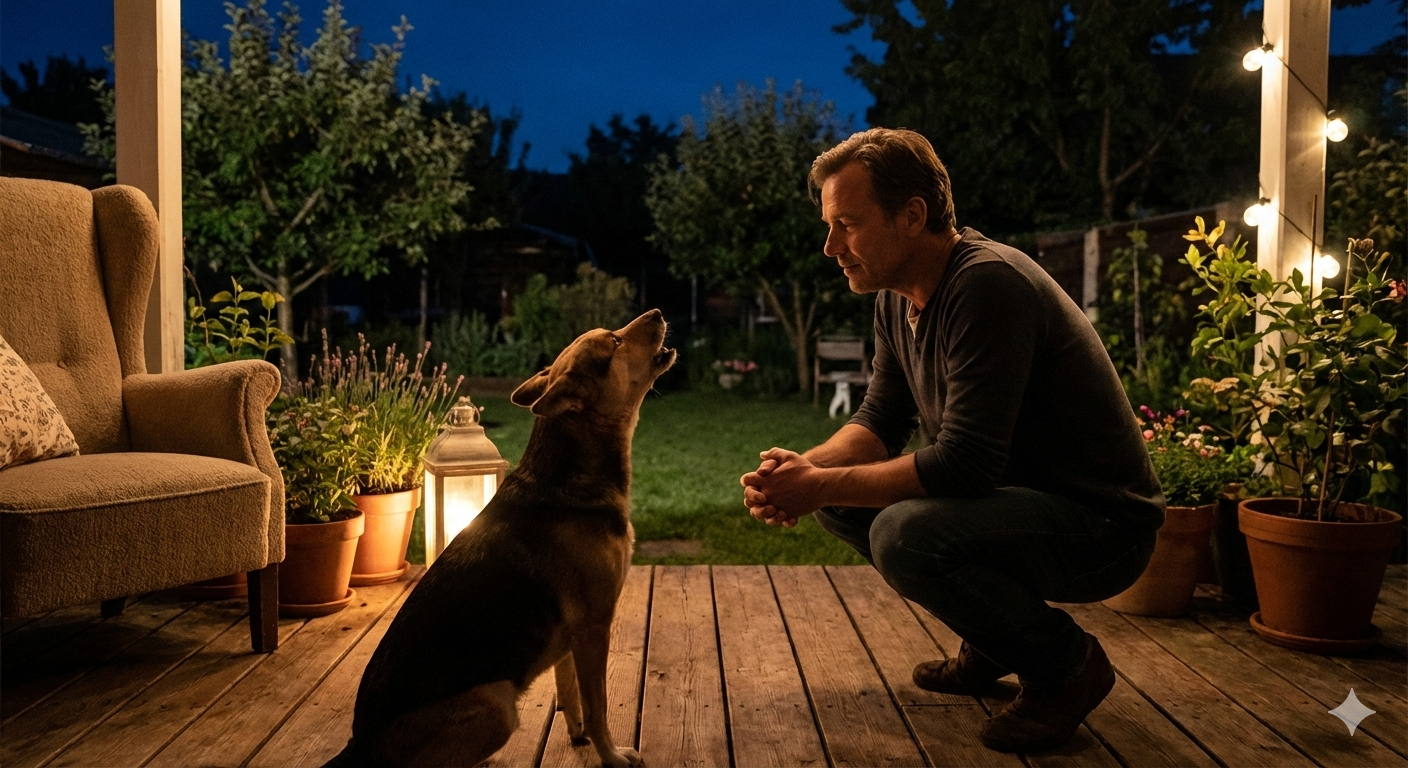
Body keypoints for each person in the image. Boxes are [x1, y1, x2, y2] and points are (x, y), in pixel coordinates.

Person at [740, 128, 1164, 753]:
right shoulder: (896, 296)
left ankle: (1065, 667)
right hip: (1019, 504)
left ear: (912, 216)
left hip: (1101, 527)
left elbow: (965, 463)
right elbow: (879, 420)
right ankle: (996, 639)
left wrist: (816, 483)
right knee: (840, 500)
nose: (830, 246)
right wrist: (804, 471)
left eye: (847, 225)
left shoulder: (986, 284)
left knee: (902, 533)